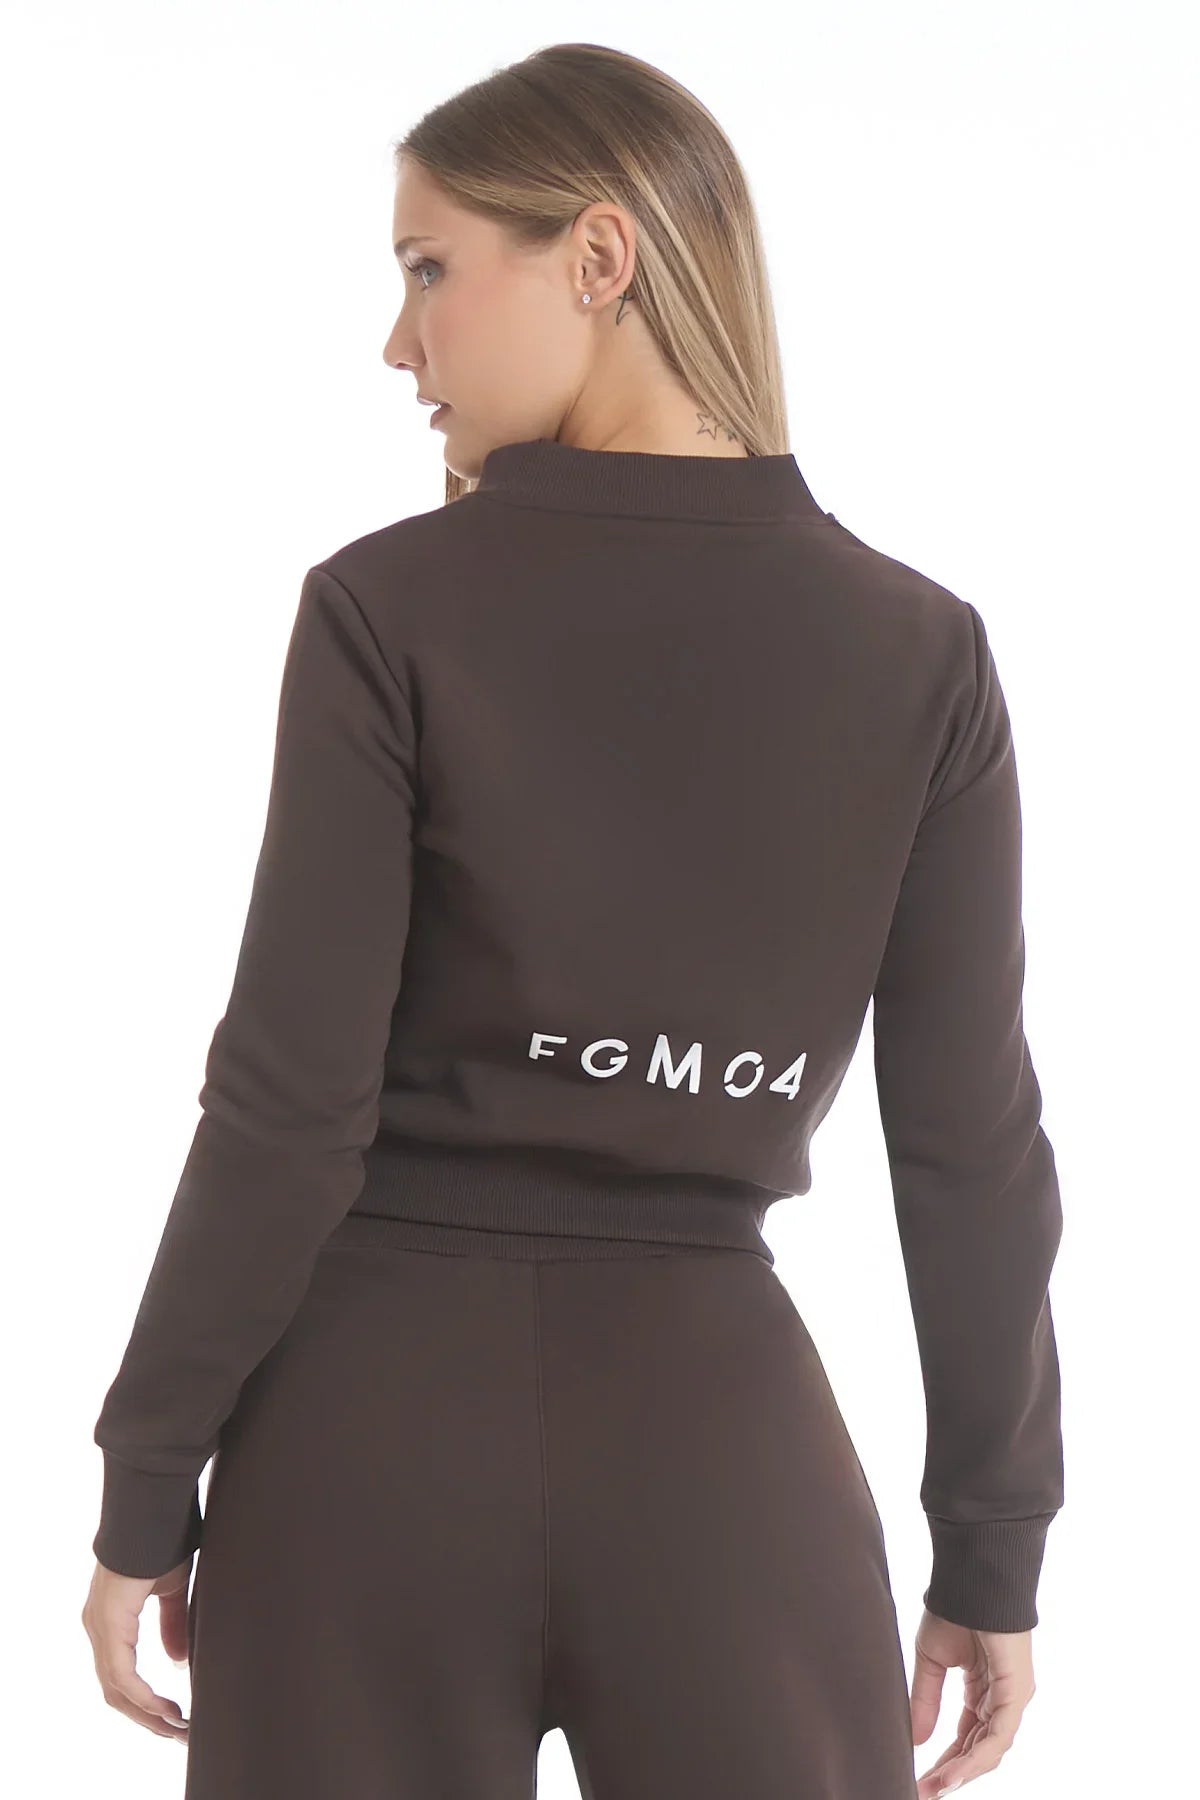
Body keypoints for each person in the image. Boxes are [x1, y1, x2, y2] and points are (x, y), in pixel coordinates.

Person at [81, 41, 1063, 1800]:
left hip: (365, 1450)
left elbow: (290, 1104)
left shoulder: (388, 610)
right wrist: (993, 1550)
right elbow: (970, 1146)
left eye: (428, 268)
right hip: (721, 1464)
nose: (399, 344)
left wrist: (149, 1477)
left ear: (600, 257)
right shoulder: (923, 655)